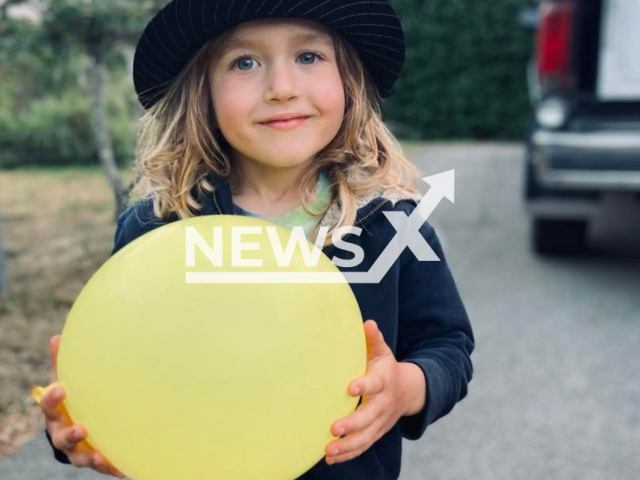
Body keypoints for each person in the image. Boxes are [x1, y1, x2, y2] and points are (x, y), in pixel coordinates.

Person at [35, 1, 475, 479]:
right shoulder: (157, 229)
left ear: (349, 80)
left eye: (309, 57)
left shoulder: (391, 224)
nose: (282, 89)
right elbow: (122, 367)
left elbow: (447, 346)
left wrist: (405, 389)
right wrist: (78, 426)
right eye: (244, 62)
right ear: (201, 91)